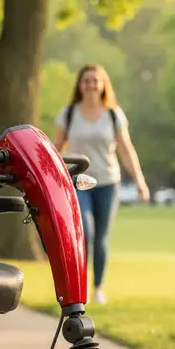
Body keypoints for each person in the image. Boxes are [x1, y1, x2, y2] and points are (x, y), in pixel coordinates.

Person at [54, 63, 150, 304]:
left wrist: (139, 180)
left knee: (101, 237)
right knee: (85, 231)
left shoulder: (113, 114)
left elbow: (126, 149)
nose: (91, 85)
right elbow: (55, 149)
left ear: (103, 85)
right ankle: (80, 286)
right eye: (86, 80)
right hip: (78, 180)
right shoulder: (69, 113)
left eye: (95, 80)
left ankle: (98, 287)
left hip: (108, 181)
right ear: (80, 84)